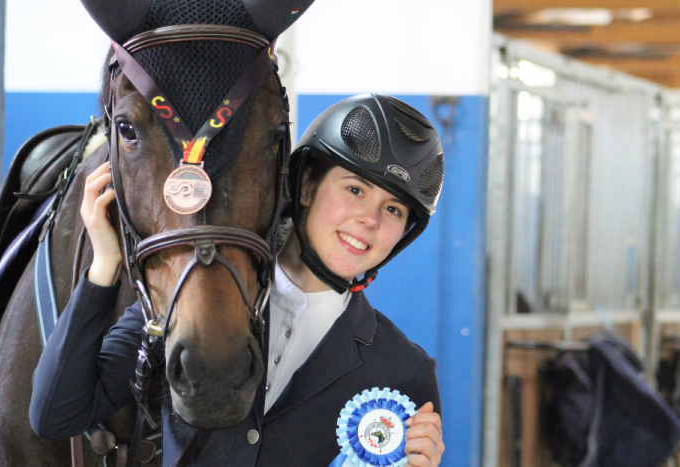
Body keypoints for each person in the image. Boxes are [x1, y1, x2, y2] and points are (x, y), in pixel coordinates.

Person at [30, 93, 446, 467]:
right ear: (304, 186)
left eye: (393, 210)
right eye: (355, 190)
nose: (369, 220)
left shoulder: (404, 371)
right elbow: (57, 412)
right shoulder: (198, 300)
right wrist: (104, 266)